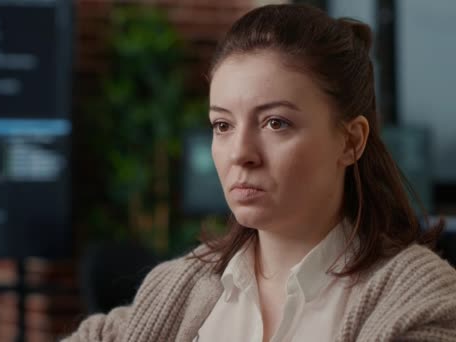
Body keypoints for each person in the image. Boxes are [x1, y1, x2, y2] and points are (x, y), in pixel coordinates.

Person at [64, 4, 456, 341]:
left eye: (275, 123)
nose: (241, 154)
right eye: (223, 126)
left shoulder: (419, 300)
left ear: (351, 141)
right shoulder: (181, 286)